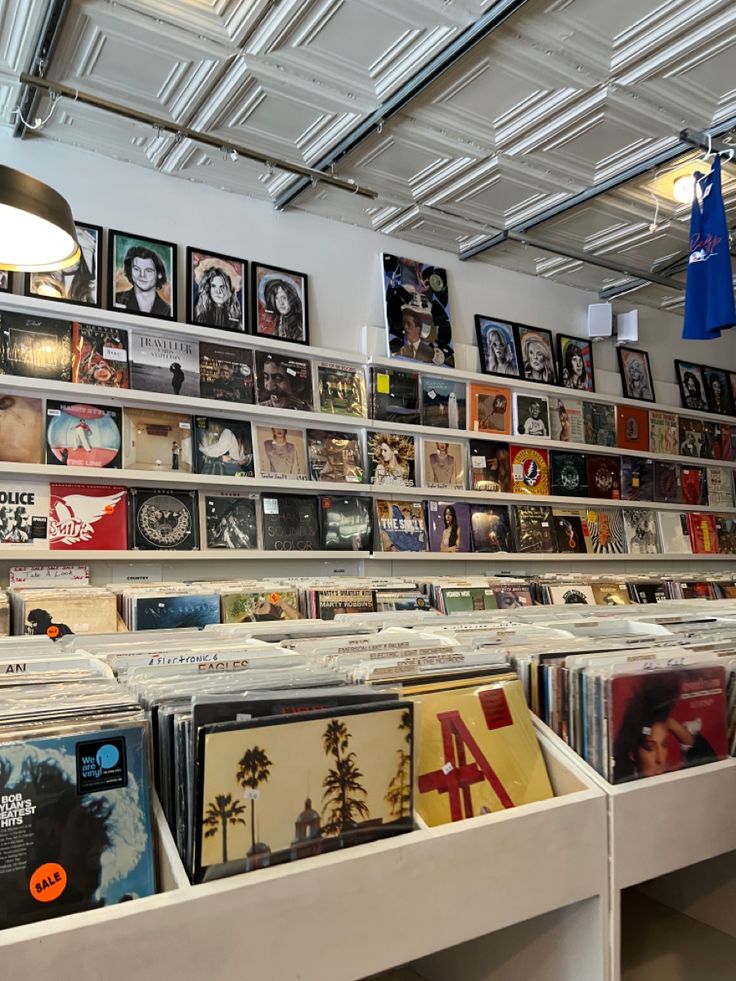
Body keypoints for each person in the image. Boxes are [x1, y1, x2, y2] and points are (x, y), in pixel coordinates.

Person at [612, 674, 717, 782]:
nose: (660, 759)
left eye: (664, 744)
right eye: (650, 748)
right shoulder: (620, 782)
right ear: (632, 754)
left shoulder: (673, 779)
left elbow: (712, 764)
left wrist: (673, 725)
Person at [114, 245, 171, 316]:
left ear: (159, 274)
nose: (142, 275)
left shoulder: (167, 310)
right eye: (136, 269)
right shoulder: (117, 299)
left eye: (148, 270)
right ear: (130, 271)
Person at [194, 266, 242, 330]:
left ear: (229, 289)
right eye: (213, 286)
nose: (218, 292)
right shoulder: (200, 312)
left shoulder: (236, 316)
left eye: (222, 287)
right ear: (209, 288)